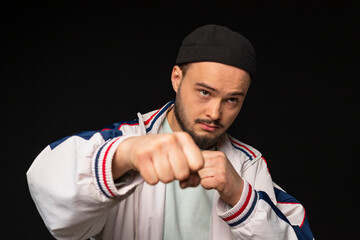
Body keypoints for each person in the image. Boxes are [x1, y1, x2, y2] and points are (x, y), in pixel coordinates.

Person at [27, 24, 314, 240]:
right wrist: (125, 156)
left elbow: (297, 231)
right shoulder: (127, 139)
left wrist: (240, 195)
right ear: (177, 78)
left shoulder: (249, 166)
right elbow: (48, 189)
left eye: (231, 100)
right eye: (204, 92)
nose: (215, 113)